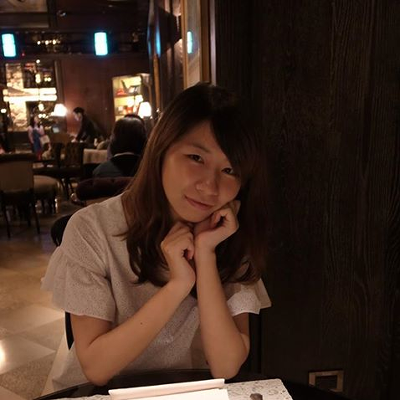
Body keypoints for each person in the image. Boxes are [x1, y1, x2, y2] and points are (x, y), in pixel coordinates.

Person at [42, 83, 271, 389]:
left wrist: (205, 256)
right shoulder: (92, 229)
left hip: (188, 391)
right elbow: (96, 368)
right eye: (196, 158)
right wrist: (178, 285)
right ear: (161, 149)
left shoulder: (226, 234)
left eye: (230, 171)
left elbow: (226, 364)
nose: (210, 187)